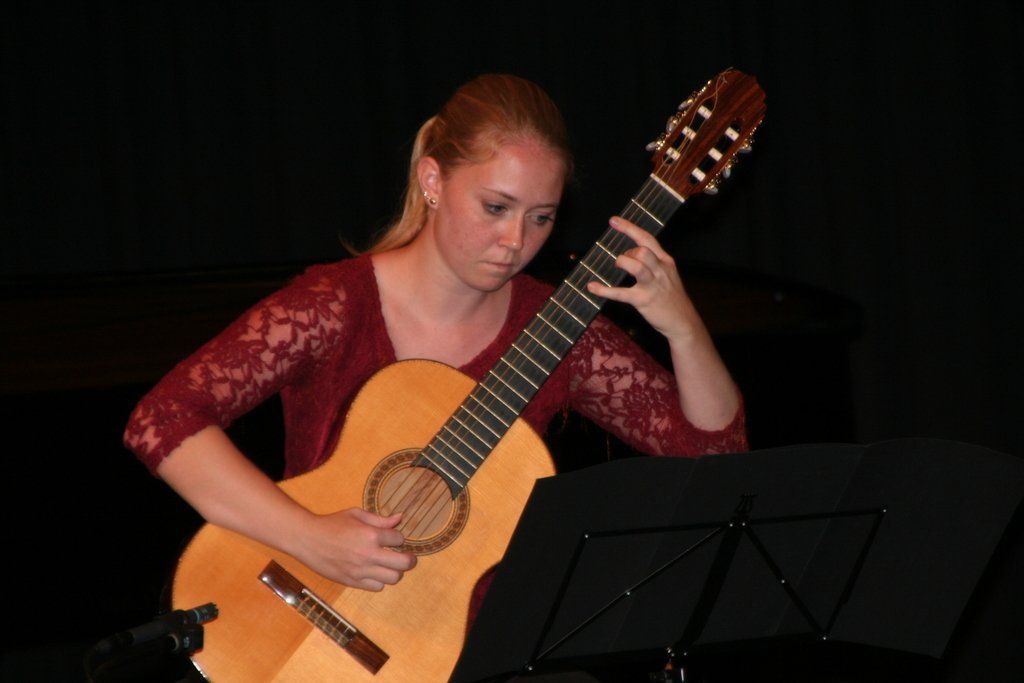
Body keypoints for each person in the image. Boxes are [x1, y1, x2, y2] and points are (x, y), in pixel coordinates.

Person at [123, 73, 746, 672]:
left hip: (455, 654)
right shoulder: (336, 306)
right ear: (432, 180)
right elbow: (161, 419)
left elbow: (715, 456)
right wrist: (309, 536)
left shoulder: (559, 331)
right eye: (496, 207)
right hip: (287, 594)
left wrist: (684, 328)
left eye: (541, 217)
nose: (515, 240)